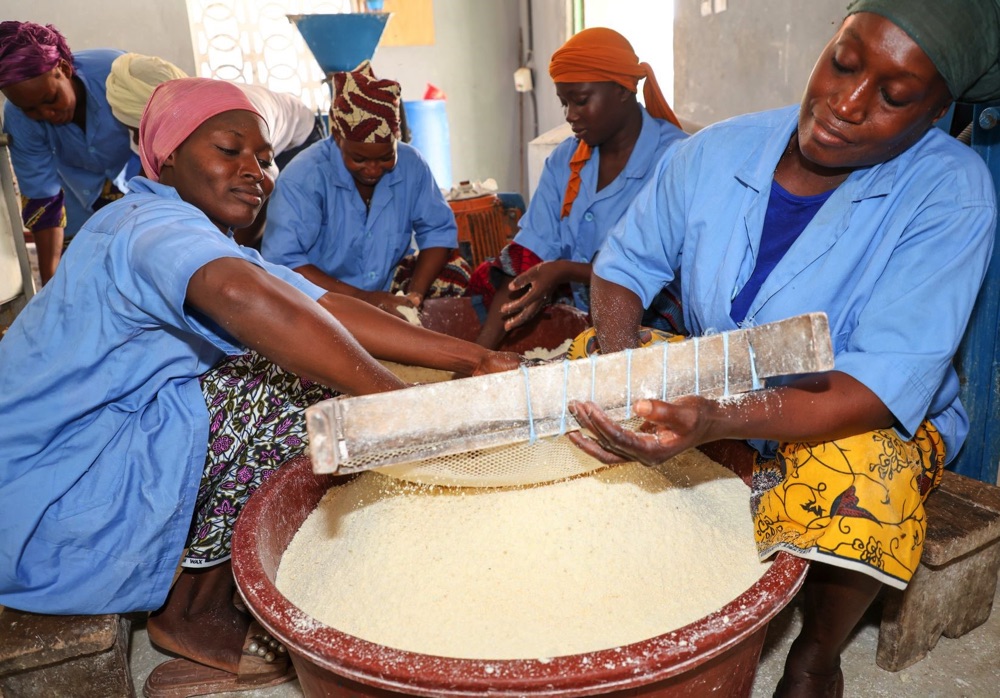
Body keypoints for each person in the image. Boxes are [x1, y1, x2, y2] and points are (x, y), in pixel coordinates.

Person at [0, 78, 519, 695]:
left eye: (266, 158)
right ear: (166, 158)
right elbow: (246, 298)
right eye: (229, 150)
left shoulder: (188, 229)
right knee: (277, 388)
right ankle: (189, 611)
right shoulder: (145, 224)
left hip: (84, 452)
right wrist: (405, 406)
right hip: (48, 491)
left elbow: (321, 305)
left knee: (302, 365)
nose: (257, 171)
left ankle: (203, 583)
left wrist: (471, 361)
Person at [566, 2, 1000, 696]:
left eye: (893, 97)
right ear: (829, 41)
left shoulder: (952, 194)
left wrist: (717, 421)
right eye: (844, 62)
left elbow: (874, 387)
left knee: (867, 479)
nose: (845, 103)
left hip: (846, 407)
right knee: (579, 359)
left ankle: (818, 654)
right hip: (719, 379)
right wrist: (625, 369)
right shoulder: (714, 151)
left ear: (936, 113)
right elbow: (623, 267)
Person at [468, 28, 688, 350]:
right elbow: (531, 257)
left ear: (624, 90)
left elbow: (669, 274)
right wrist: (475, 358)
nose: (570, 115)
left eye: (581, 101)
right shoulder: (565, 161)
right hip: (580, 323)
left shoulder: (675, 159)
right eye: (564, 103)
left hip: (652, 332)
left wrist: (563, 271)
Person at [261, 60, 469, 319]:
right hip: (322, 298)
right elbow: (284, 262)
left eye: (385, 157)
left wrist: (414, 294)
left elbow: (437, 231)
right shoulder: (303, 178)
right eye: (359, 159)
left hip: (389, 288)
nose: (372, 169)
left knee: (455, 275)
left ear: (396, 139)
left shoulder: (412, 165)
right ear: (338, 138)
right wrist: (366, 300)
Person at [104, 52, 326, 248]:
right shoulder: (167, 129)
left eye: (136, 129)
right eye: (132, 131)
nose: (136, 139)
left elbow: (262, 183)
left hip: (297, 141)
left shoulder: (244, 122)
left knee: (277, 231)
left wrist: (230, 254)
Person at [0, 21, 137, 284]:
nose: (45, 115)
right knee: (85, 283)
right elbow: (42, 196)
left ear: (62, 69)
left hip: (139, 182)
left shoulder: (115, 73)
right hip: (76, 205)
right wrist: (51, 282)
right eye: (31, 110)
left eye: (50, 99)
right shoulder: (17, 118)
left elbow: (160, 144)